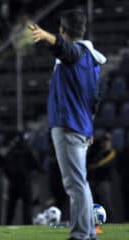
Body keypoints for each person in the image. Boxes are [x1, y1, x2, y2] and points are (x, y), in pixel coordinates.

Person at [29, 10, 106, 240]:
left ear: (63, 30)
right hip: (81, 125)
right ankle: (88, 232)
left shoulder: (78, 53)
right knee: (79, 182)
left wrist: (47, 37)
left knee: (74, 184)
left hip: (69, 124)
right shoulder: (92, 59)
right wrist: (90, 126)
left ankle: (81, 234)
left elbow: (66, 50)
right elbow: (95, 99)